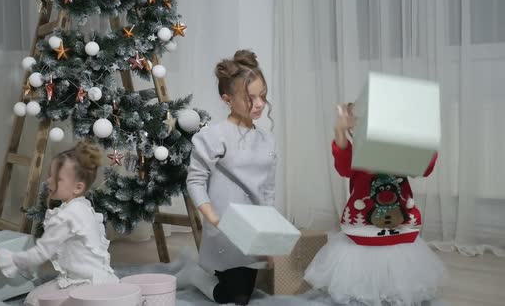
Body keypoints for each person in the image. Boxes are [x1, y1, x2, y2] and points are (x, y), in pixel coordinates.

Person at [304, 103, 445, 306]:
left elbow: (424, 167)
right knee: (362, 263)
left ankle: (393, 292)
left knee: (397, 262)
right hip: (364, 227)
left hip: (397, 225)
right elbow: (344, 165)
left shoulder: (400, 152)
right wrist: (339, 131)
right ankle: (364, 292)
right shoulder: (358, 154)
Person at [180, 49, 277, 305]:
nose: (258, 104)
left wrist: (269, 234)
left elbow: (267, 188)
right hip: (224, 226)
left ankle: (217, 275)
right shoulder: (214, 136)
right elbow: (195, 180)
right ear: (227, 99)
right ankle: (195, 275)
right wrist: (211, 215)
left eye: (262, 96)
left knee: (247, 289)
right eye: (249, 98)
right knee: (234, 298)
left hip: (252, 229)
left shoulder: (266, 139)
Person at [0, 141, 118, 306]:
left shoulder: (68, 217)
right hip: (101, 278)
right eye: (50, 175)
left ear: (77, 188)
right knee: (39, 295)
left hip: (87, 284)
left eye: (57, 178)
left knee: (34, 300)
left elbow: (39, 254)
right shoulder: (82, 205)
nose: (49, 181)